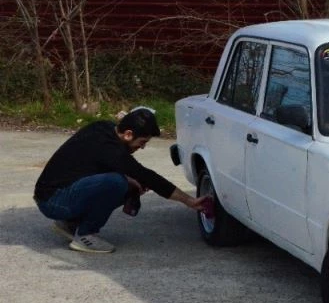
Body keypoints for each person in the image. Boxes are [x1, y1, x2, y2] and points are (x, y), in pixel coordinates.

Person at [33, 107, 208, 253]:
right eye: (142, 142)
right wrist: (189, 201)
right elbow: (148, 176)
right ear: (128, 134)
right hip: (53, 200)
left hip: (55, 193)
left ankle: (70, 224)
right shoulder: (112, 150)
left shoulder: (104, 127)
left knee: (127, 183)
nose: (142, 147)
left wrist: (131, 179)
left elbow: (95, 164)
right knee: (117, 183)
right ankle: (85, 235)